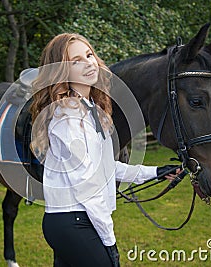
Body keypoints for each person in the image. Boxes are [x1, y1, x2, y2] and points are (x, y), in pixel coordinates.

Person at [30, 33, 179, 267]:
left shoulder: (91, 110)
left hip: (75, 221)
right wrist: (109, 241)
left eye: (89, 55)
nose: (88, 62)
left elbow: (106, 167)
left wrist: (156, 172)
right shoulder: (69, 117)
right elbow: (87, 185)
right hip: (74, 221)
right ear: (62, 72)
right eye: (76, 61)